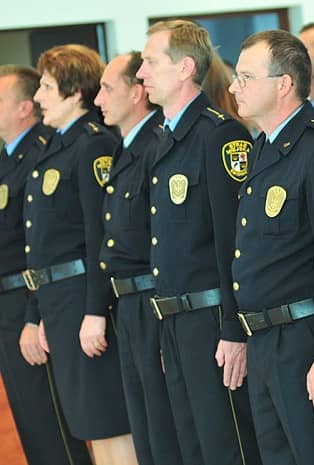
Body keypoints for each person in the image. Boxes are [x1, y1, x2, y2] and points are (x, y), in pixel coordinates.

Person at [136, 20, 261, 465]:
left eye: (150, 62)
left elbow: (232, 242)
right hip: (175, 319)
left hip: (211, 319)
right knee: (192, 447)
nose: (141, 74)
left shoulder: (218, 134)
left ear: (185, 67)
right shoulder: (163, 137)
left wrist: (233, 329)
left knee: (226, 444)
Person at [228, 29, 314, 465]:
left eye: (246, 78)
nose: (234, 87)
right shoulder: (261, 148)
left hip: (302, 339)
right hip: (263, 340)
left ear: (283, 84)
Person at [26, 44, 138, 464]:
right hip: (60, 300)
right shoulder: (56, 145)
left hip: (81, 297)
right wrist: (39, 312)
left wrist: (95, 310)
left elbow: (98, 236)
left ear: (74, 93)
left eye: (47, 87)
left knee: (108, 417)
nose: (38, 97)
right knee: (88, 420)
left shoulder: (92, 145)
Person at [94, 51, 185, 465]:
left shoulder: (154, 145)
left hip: (153, 298)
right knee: (145, 425)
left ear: (136, 94)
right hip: (129, 301)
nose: (98, 99)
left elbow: (165, 237)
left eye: (107, 88)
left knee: (164, 427)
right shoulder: (126, 147)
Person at [0, 64, 92, 465]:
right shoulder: (6, 158)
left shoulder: (43, 151)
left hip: (32, 296)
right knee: (29, 419)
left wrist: (33, 314)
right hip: (9, 303)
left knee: (50, 420)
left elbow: (42, 241)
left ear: (24, 108)